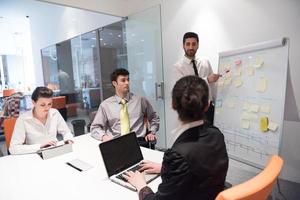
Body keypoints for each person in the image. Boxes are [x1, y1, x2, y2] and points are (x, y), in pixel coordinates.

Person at [123, 76, 228, 200]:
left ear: (173, 104)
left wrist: (141, 185)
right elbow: (199, 171)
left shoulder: (178, 155)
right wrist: (164, 169)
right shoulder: (217, 135)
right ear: (207, 105)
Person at [90, 68, 159, 146]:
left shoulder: (140, 101)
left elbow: (154, 118)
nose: (127, 83)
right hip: (116, 143)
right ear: (114, 83)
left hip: (138, 142)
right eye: (123, 80)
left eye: (128, 80)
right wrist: (104, 136)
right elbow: (94, 127)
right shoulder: (105, 105)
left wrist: (152, 132)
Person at [173, 32, 220, 124]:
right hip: (191, 112)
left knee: (211, 136)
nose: (191, 47)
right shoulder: (178, 67)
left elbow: (213, 86)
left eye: (194, 44)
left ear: (198, 45)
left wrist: (217, 103)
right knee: (195, 137)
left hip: (209, 109)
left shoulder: (205, 62)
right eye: (188, 44)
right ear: (183, 46)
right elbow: (185, 89)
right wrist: (207, 80)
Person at [9, 87, 73, 154]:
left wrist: (68, 139)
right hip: (35, 154)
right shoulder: (23, 119)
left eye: (49, 104)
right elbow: (13, 148)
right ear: (34, 102)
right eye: (43, 105)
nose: (47, 108)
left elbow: (67, 132)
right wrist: (39, 146)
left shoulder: (54, 113)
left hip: (55, 152)